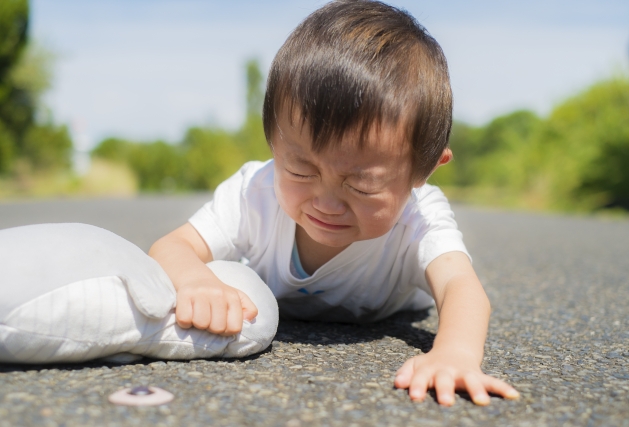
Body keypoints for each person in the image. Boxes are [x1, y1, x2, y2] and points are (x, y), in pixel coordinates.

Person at [149, 0, 519, 406]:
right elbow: (173, 246)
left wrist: (455, 353)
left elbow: (460, 286)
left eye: (362, 185)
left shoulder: (420, 218)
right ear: (273, 141)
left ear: (424, 171)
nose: (326, 202)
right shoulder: (254, 191)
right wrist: (196, 280)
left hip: (391, 310)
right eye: (301, 171)